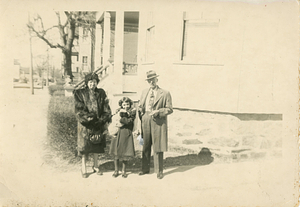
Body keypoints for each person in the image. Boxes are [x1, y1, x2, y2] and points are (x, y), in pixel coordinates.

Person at [74, 73, 112, 178]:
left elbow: (106, 108)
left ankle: (96, 166)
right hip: (85, 125)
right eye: (90, 82)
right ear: (87, 83)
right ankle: (83, 168)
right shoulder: (80, 93)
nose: (92, 84)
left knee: (97, 145)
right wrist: (89, 118)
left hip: (98, 124)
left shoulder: (101, 93)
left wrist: (103, 119)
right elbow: (79, 110)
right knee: (84, 147)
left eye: (94, 82)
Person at [138, 70, 173, 179]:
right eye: (149, 80)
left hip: (158, 121)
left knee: (158, 146)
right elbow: (141, 105)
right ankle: (145, 169)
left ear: (157, 80)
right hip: (146, 119)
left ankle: (159, 171)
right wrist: (140, 110)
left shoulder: (165, 93)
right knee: (146, 145)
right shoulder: (144, 92)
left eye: (153, 79)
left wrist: (159, 112)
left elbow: (170, 109)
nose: (151, 82)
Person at [109, 97, 136, 178]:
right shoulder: (118, 111)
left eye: (127, 104)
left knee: (125, 153)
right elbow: (113, 119)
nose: (126, 106)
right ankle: (116, 170)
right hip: (117, 132)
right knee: (116, 152)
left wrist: (121, 117)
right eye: (124, 105)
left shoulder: (132, 112)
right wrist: (119, 117)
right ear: (121, 105)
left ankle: (124, 171)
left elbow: (128, 121)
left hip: (126, 132)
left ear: (130, 104)